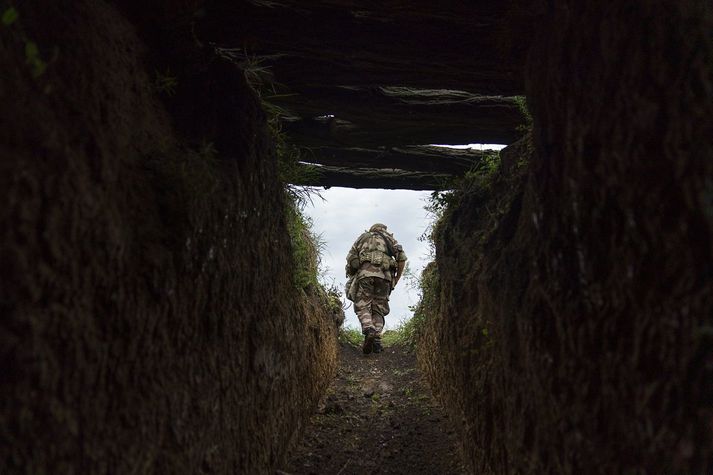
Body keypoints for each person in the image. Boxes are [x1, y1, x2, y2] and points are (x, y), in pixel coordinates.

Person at [345, 223, 407, 354]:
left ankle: (369, 329)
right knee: (378, 308)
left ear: (372, 229)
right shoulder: (390, 239)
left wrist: (354, 272)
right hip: (385, 277)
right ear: (384, 230)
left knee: (363, 305)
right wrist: (396, 279)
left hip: (365, 275)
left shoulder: (362, 237)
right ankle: (377, 341)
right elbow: (401, 258)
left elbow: (351, 259)